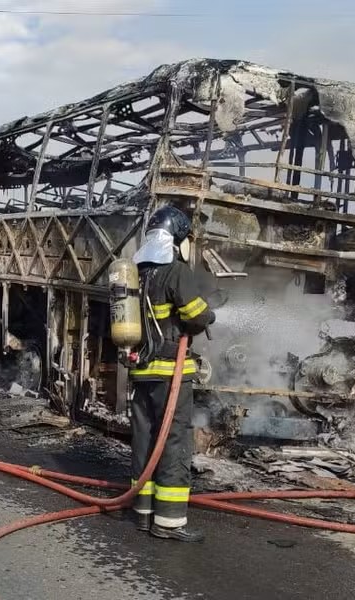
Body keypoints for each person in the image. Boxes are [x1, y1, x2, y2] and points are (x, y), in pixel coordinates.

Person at [128, 205, 216, 542]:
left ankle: (142, 513)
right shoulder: (175, 271)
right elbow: (195, 315)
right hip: (170, 373)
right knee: (174, 441)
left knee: (144, 440)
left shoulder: (138, 270)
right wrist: (209, 316)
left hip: (141, 372)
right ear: (176, 238)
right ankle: (169, 522)